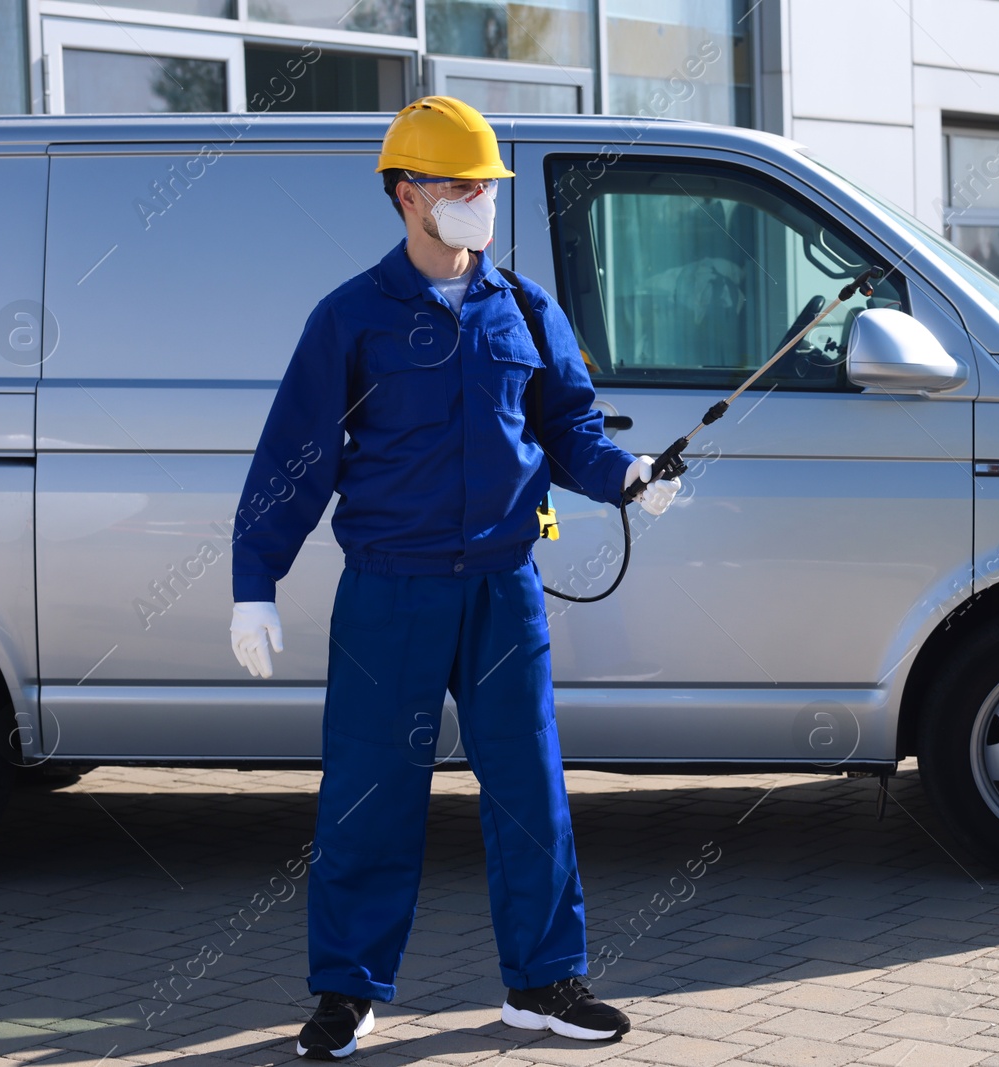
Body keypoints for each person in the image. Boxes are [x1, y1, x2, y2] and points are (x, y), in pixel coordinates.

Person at [226, 96, 681, 1060]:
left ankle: (544, 982)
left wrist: (627, 479)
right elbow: (293, 457)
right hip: (390, 588)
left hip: (504, 586)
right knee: (369, 791)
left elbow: (569, 431)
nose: (479, 199)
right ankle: (346, 992)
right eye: (458, 184)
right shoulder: (349, 318)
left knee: (531, 786)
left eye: (486, 185)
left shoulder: (522, 306)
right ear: (406, 195)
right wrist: (252, 581)